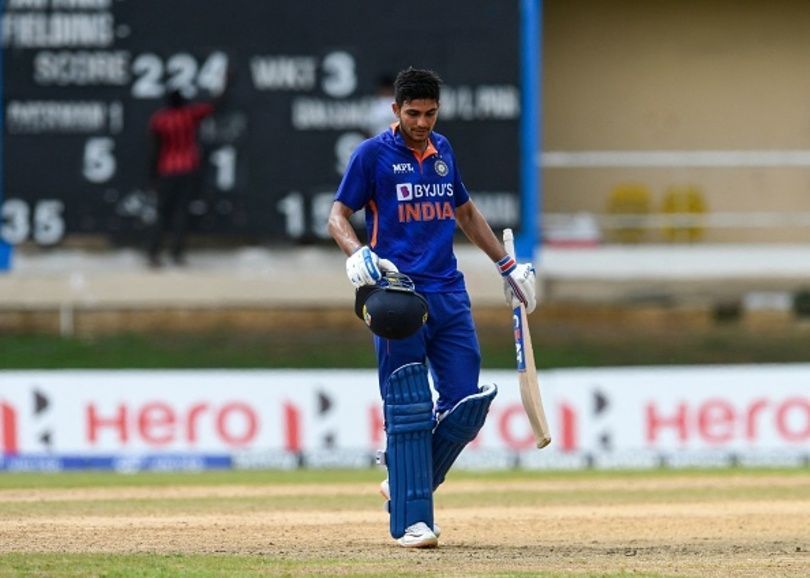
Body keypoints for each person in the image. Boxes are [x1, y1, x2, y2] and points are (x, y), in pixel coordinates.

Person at [327, 67, 537, 548]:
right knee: (409, 408)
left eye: (431, 113)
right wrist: (355, 251)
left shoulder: (443, 151)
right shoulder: (372, 155)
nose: (423, 122)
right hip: (397, 295)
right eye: (414, 113)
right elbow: (337, 214)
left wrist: (508, 265)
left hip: (450, 292)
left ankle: (402, 480)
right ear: (395, 110)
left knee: (466, 405)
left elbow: (463, 212)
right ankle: (412, 521)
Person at [146, 89, 216, 267]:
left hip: (167, 170)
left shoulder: (160, 120)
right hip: (186, 169)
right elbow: (214, 105)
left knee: (162, 213)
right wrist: (227, 84)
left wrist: (153, 175)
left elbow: (155, 149)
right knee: (180, 213)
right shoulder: (189, 115)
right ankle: (176, 253)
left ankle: (154, 253)